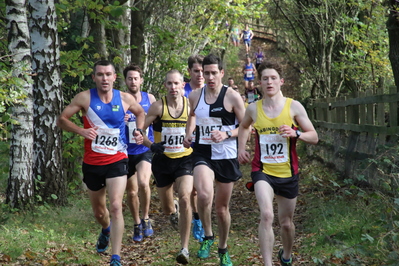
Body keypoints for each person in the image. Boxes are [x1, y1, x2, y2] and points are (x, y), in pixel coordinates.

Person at [57, 60, 145, 266]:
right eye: (100, 75)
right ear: (94, 77)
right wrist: (81, 130)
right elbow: (62, 119)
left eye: (108, 74)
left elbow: (140, 113)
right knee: (99, 212)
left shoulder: (125, 98)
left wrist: (139, 131)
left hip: (118, 159)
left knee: (115, 206)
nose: (104, 79)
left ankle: (116, 258)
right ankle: (105, 229)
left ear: (115, 77)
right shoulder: (84, 98)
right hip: (93, 162)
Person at [237, 61, 318, 266]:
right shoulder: (253, 109)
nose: (269, 82)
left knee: (286, 224)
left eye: (273, 78)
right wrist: (241, 148)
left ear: (281, 81)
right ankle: (267, 264)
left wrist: (296, 133)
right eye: (265, 79)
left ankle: (287, 256)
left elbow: (314, 136)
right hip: (262, 170)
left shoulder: (294, 106)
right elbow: (244, 127)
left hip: (288, 172)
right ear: (260, 83)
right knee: (266, 215)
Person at [183, 54, 246, 266]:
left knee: (221, 209)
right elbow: (192, 116)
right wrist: (188, 134)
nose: (208, 76)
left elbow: (246, 127)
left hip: (226, 155)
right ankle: (208, 236)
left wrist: (227, 134)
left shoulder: (232, 97)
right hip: (203, 152)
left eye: (212, 72)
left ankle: (223, 247)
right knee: (203, 193)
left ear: (221, 73)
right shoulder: (194, 96)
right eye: (204, 72)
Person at [143, 70, 194, 264]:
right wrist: (151, 145)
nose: (173, 87)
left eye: (177, 83)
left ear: (183, 85)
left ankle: (184, 248)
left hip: (185, 159)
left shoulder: (191, 106)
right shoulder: (157, 107)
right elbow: (140, 131)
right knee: (166, 208)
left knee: (185, 197)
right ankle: (172, 214)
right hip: (162, 161)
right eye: (169, 84)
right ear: (165, 86)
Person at [123, 64, 156, 242]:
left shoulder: (149, 98)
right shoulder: (119, 100)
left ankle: (146, 218)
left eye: (136, 78)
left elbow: (158, 118)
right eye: (130, 78)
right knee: (132, 191)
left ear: (141, 80)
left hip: (144, 148)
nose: (133, 81)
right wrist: (123, 119)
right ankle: (136, 223)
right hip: (126, 151)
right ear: (125, 80)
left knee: (144, 183)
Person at [183, 55, 206, 242]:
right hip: (181, 143)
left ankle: (197, 219)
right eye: (196, 71)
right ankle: (191, 215)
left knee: (198, 189)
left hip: (204, 144)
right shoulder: (180, 90)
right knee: (188, 189)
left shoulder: (210, 90)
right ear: (189, 71)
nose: (200, 75)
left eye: (202, 71)